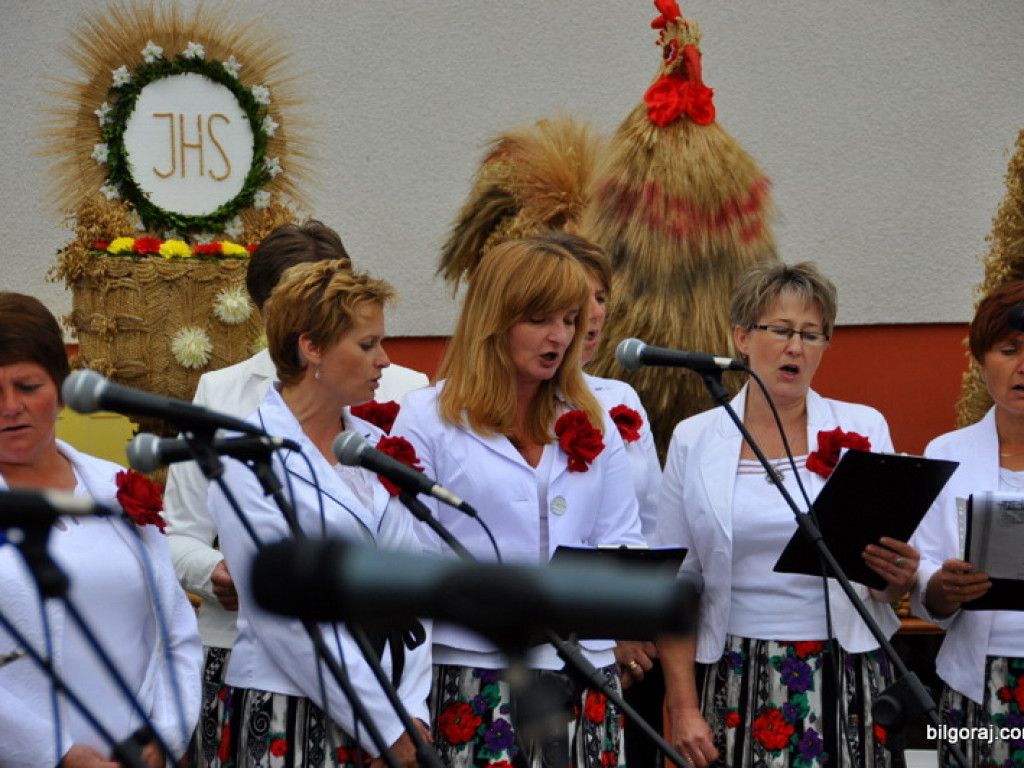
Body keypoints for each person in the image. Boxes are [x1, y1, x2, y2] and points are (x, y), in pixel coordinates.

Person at [162, 220, 429, 767]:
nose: (384, 360)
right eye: (368, 344)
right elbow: (288, 619)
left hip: (394, 701)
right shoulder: (246, 451)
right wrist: (388, 730)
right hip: (293, 707)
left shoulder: (377, 447)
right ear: (310, 347)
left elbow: (415, 586)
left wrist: (412, 711)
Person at [391, 236, 646, 768]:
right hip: (472, 672)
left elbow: (622, 536)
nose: (559, 337)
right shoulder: (427, 418)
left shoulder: (594, 415)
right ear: (495, 319)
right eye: (539, 320)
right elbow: (409, 566)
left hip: (582, 670)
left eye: (571, 320)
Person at [656, 261, 918, 768]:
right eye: (781, 330)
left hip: (847, 667)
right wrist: (684, 706)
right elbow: (676, 583)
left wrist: (897, 577)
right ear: (742, 337)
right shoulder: (695, 438)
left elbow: (881, 579)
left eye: (812, 334)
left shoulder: (863, 425)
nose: (796, 346)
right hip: (736, 668)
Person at [0, 292, 201, 768]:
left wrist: (165, 735)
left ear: (62, 387)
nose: (10, 407)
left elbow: (176, 630)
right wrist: (57, 754)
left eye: (28, 386)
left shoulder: (114, 486)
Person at [910, 280, 1024, 768]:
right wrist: (943, 586)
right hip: (975, 683)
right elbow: (924, 580)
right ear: (981, 363)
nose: (1023, 365)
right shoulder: (946, 454)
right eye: (1009, 349)